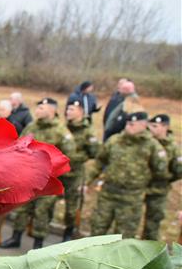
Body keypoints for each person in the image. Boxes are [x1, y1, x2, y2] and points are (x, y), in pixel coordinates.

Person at [0, 98, 75, 249]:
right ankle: (16, 237)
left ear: (52, 111)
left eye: (42, 107)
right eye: (38, 107)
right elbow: (19, 145)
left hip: (48, 180)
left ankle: (38, 244)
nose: (38, 110)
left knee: (42, 212)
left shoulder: (62, 132)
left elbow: (68, 157)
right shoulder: (32, 126)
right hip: (27, 177)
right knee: (22, 208)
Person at [89, 111, 168, 239]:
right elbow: (100, 161)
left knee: (124, 237)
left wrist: (148, 189)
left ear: (144, 125)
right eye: (128, 123)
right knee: (97, 229)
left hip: (131, 199)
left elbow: (161, 172)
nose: (129, 127)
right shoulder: (114, 141)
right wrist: (88, 180)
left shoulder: (152, 146)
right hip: (108, 194)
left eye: (133, 124)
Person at [60, 99, 99, 241]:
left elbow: (94, 152)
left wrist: (76, 157)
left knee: (71, 207)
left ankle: (68, 233)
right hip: (59, 171)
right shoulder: (63, 127)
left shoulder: (88, 131)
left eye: (72, 110)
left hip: (75, 173)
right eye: (67, 109)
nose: (68, 112)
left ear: (81, 112)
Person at [143, 114, 182, 240]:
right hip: (138, 189)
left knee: (152, 224)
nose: (151, 129)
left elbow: (179, 170)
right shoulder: (146, 143)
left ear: (165, 127)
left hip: (158, 191)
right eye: (150, 125)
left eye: (155, 126)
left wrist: (165, 178)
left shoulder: (173, 148)